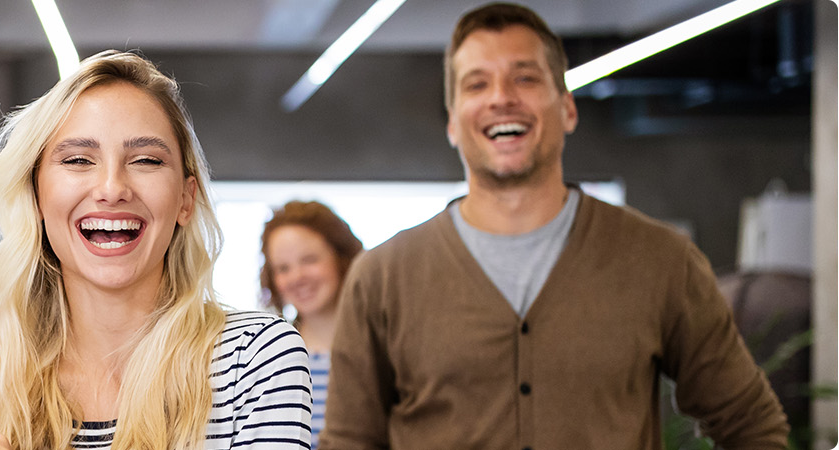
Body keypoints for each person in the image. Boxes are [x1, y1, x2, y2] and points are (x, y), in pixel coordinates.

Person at [320, 3, 789, 449]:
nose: (502, 98)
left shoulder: (661, 260)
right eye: (477, 84)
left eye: (524, 78)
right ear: (453, 124)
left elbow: (751, 425)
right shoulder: (381, 279)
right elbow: (348, 442)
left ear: (567, 108)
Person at [0, 50, 312, 450]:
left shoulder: (255, 360)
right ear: (36, 197)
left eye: (146, 160)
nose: (113, 189)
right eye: (79, 159)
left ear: (186, 200)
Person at [259, 201, 363, 448]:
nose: (297, 277)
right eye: (283, 268)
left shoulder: (379, 350)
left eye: (309, 260)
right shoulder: (268, 357)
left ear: (341, 258)